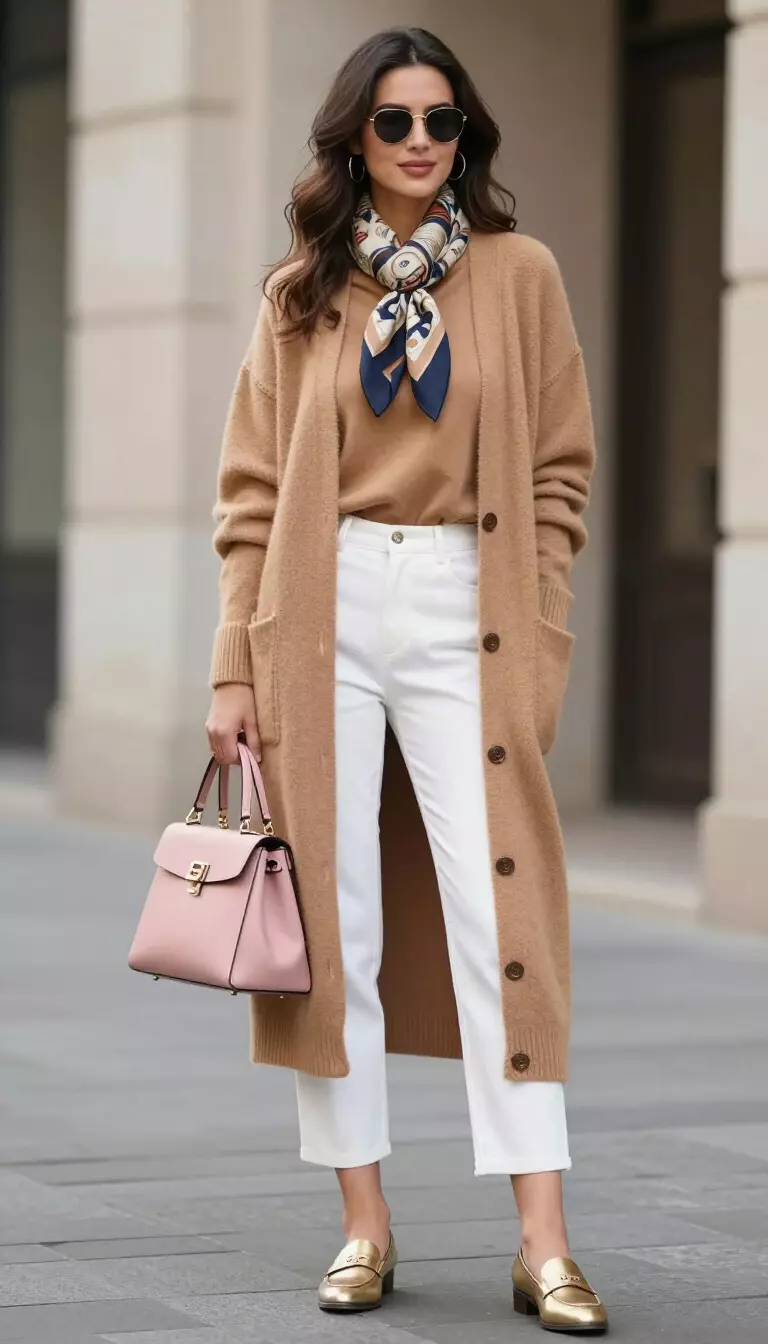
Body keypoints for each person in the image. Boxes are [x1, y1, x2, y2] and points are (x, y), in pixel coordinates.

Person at [205, 25, 607, 1333]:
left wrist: (540, 627)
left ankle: (543, 1239)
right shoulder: (298, 295)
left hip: (464, 613)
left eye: (444, 121)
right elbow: (252, 496)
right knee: (340, 933)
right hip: (319, 616)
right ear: (353, 141)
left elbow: (558, 469)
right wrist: (233, 670)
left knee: (509, 925)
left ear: (467, 138)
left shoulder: (521, 274)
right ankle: (364, 1225)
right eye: (396, 122)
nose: (424, 142)